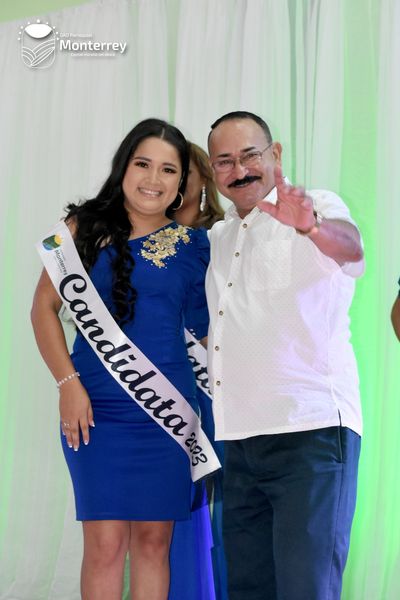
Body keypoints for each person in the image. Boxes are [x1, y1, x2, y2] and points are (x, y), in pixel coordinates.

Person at [31, 118, 216, 600]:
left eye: (168, 170)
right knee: (105, 545)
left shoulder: (194, 245)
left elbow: (206, 333)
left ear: (181, 181)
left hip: (167, 412)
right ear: (123, 167)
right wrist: (68, 384)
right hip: (94, 410)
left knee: (154, 543)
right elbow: (43, 309)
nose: (153, 179)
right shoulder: (80, 227)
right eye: (143, 164)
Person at [205, 111, 365, 600]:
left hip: (310, 434)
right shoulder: (219, 236)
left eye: (250, 155)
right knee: (248, 588)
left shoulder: (317, 206)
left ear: (275, 154)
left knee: (305, 588)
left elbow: (351, 249)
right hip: (239, 441)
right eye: (224, 161)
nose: (239, 170)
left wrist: (310, 226)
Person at [175, 141, 228, 600]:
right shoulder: (136, 241)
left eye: (180, 170)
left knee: (229, 507)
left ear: (203, 180)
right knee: (176, 505)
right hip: (165, 391)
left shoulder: (222, 238)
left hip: (218, 389)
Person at [175, 141, 224, 230]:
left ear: (204, 178)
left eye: (186, 172)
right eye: (170, 171)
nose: (177, 180)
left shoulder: (222, 230)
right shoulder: (151, 229)